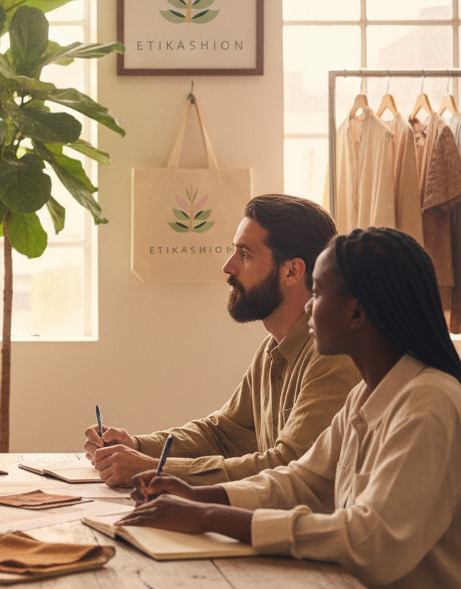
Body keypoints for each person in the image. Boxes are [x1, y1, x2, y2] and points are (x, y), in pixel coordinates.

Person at [119, 227, 461, 589]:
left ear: (358, 311)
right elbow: (301, 479)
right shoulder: (369, 394)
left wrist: (212, 517)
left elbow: (372, 541)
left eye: (318, 294)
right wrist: (201, 496)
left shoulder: (429, 403)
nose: (305, 307)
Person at [86, 194, 359, 486]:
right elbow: (222, 433)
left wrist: (156, 469)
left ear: (292, 271)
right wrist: (138, 446)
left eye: (245, 254)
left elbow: (290, 467)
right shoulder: (273, 348)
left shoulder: (333, 355)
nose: (228, 266)